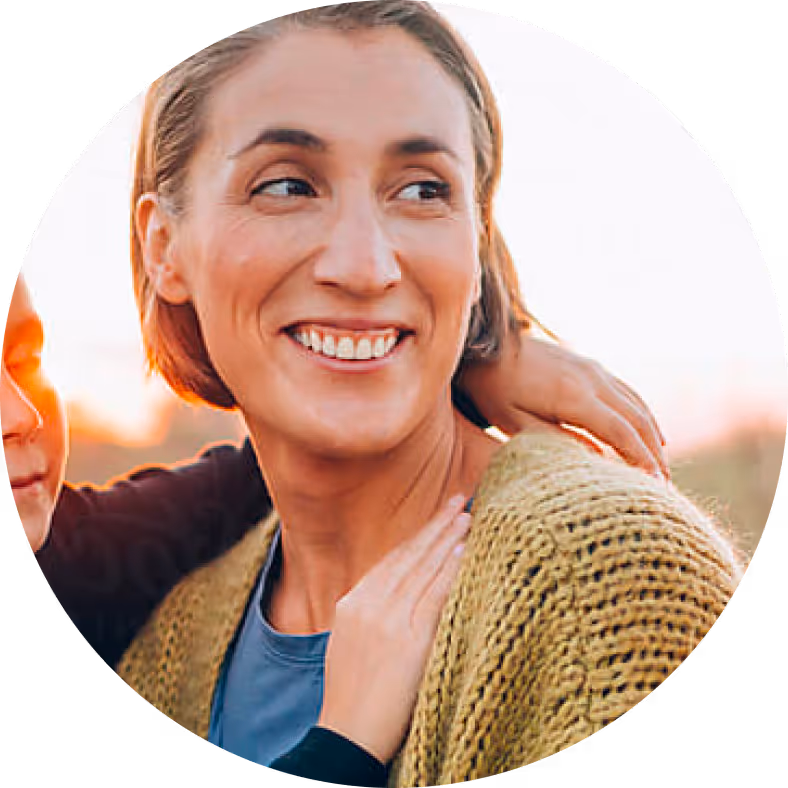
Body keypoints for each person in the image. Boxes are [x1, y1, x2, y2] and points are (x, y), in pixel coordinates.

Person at [114, 2, 742, 782]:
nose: (365, 265)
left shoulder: (606, 584)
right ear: (163, 246)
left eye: (420, 191)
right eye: (286, 185)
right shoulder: (168, 638)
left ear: (475, 244)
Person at [6, 263, 665, 785]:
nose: (19, 416)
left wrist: (459, 357)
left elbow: (272, 472)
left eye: (20, 358)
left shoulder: (79, 559)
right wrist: (342, 747)